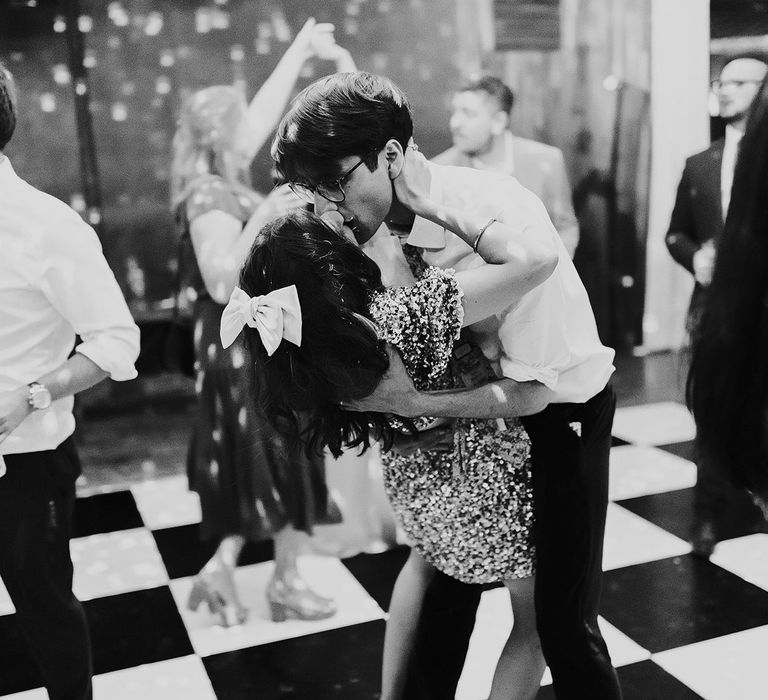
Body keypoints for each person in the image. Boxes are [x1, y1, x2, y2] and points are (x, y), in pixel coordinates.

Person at [272, 72, 620, 699]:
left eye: (335, 183)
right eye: (311, 190)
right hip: (446, 436)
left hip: (555, 413)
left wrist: (407, 401)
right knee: (442, 585)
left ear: (393, 158)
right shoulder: (352, 232)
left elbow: (537, 389)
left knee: (561, 622)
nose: (326, 206)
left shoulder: (497, 211)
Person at [220, 205, 555, 699]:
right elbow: (532, 264)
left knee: (421, 567)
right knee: (535, 619)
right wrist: (441, 201)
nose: (338, 211)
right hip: (488, 481)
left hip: (412, 485)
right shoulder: (401, 316)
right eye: (327, 223)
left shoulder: (311, 344)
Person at [169, 18, 355, 627]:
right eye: (240, 119)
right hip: (241, 347)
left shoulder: (222, 180)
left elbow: (262, 120)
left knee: (273, 456)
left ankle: (232, 573)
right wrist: (267, 215)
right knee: (279, 452)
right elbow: (223, 280)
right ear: (220, 131)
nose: (252, 127)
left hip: (259, 344)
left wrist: (301, 48)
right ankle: (280, 581)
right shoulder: (208, 194)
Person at [0, 64, 140, 700]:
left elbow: (117, 341)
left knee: (45, 607)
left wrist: (31, 395)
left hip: (27, 462)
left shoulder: (46, 226)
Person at [666, 56, 768, 558]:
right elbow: (674, 234)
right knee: (712, 404)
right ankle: (708, 514)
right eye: (720, 81)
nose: (725, 90)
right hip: (714, 305)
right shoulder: (698, 162)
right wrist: (695, 255)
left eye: (739, 82)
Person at [433, 75, 579, 258]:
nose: (454, 123)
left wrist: (552, 272)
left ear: (499, 122)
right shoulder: (441, 169)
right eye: (454, 112)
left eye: (468, 114)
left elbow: (565, 227)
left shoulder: (547, 161)